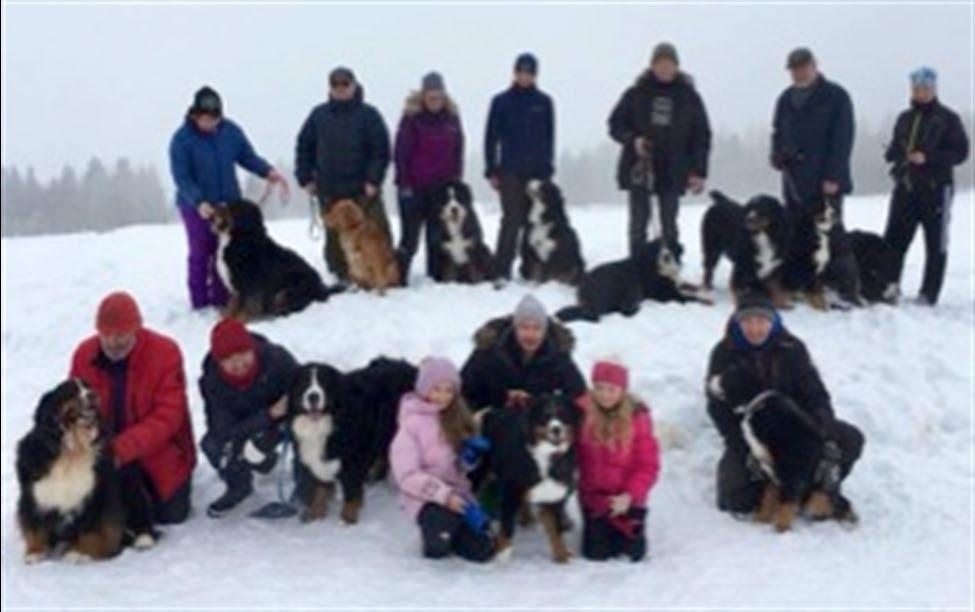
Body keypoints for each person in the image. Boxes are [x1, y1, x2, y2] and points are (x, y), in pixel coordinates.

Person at [705, 292, 864, 519]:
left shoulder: (792, 348)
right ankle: (778, 489)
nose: (755, 328)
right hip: (750, 431)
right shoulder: (724, 353)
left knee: (850, 439)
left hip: (794, 423)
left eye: (761, 321)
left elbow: (814, 391)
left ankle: (817, 488)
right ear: (738, 323)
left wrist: (822, 420)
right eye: (748, 321)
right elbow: (716, 405)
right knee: (734, 499)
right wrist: (738, 440)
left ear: (773, 322)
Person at [69, 292, 196, 530]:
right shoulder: (84, 355)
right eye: (107, 335)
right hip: (103, 454)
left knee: (168, 515)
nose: (114, 342)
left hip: (158, 453)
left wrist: (119, 450)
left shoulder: (165, 352)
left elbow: (168, 416)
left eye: (122, 335)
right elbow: (74, 408)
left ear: (137, 329)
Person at [169, 86, 287, 309]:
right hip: (197, 206)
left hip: (230, 205)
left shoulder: (231, 132)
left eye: (215, 118)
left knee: (228, 252)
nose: (210, 123)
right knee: (201, 252)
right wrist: (198, 202)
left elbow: (247, 157)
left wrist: (267, 171)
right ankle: (200, 302)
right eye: (205, 119)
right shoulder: (181, 140)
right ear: (194, 115)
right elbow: (182, 178)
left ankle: (223, 298)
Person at [608, 42, 711, 260]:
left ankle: (669, 271)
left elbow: (701, 136)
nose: (664, 68)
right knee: (638, 224)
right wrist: (633, 140)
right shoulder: (636, 93)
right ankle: (637, 269)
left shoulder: (689, 96)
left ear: (676, 66)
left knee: (669, 225)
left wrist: (698, 171)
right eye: (660, 64)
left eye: (669, 64)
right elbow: (615, 124)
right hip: (640, 166)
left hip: (674, 168)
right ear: (652, 66)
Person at [389, 358, 495, 562]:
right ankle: (439, 534)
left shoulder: (458, 417)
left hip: (459, 495)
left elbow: (460, 469)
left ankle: (459, 532)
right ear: (424, 389)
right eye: (436, 389)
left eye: (449, 390)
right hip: (426, 497)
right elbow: (407, 475)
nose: (443, 396)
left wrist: (469, 458)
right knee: (439, 543)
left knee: (482, 550)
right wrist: (444, 496)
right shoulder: (411, 425)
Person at [295, 67, 393, 281]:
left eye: (345, 84)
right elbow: (304, 147)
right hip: (330, 191)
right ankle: (342, 276)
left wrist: (374, 179)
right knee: (336, 244)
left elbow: (381, 150)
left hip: (364, 191)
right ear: (330, 88)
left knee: (376, 239)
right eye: (335, 85)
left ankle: (384, 277)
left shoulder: (369, 115)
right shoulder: (318, 115)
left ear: (354, 86)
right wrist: (305, 177)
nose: (340, 89)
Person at [882, 67, 970, 306]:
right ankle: (889, 287)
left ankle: (929, 293)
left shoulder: (948, 119)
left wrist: (928, 157)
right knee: (894, 241)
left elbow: (960, 152)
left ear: (934, 89)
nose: (920, 93)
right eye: (916, 89)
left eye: (925, 88)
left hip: (936, 189)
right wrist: (893, 153)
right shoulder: (904, 118)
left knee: (935, 243)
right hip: (905, 188)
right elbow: (895, 148)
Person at [198, 319, 298, 517]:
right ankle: (239, 485)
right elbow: (222, 429)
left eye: (243, 354)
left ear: (252, 349)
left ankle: (305, 483)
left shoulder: (277, 359)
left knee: (307, 429)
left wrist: (285, 412)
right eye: (228, 359)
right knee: (213, 445)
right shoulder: (212, 381)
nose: (238, 364)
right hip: (251, 423)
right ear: (219, 362)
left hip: (283, 421)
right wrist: (268, 415)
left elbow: (303, 389)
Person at [576, 361, 660, 562]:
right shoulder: (580, 414)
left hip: (627, 497)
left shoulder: (638, 418)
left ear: (622, 390)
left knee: (633, 553)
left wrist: (630, 495)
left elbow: (648, 465)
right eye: (599, 388)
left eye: (611, 389)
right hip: (595, 498)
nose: (605, 395)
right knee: (596, 553)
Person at [483, 53, 555, 284]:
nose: (525, 76)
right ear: (515, 73)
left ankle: (530, 267)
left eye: (529, 72)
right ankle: (501, 270)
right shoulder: (501, 101)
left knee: (533, 220)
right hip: (509, 170)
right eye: (521, 71)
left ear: (535, 75)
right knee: (512, 220)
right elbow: (490, 138)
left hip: (536, 172)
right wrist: (491, 169)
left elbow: (549, 137)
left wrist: (548, 170)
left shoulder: (544, 102)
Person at [393, 71, 465, 281]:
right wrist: (403, 182)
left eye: (439, 96)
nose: (435, 100)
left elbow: (458, 150)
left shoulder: (452, 119)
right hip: (413, 187)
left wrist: (456, 180)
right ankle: (399, 276)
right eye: (431, 96)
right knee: (410, 238)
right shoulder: (411, 119)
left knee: (436, 236)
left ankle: (436, 276)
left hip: (441, 188)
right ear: (423, 96)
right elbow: (401, 152)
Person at [461, 294, 586, 412]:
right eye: (524, 327)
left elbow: (578, 394)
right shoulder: (489, 348)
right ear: (514, 328)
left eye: (537, 328)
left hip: (537, 424)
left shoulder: (557, 352)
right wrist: (502, 398)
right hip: (493, 419)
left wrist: (537, 401)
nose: (530, 335)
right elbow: (464, 390)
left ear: (545, 330)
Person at [770, 48, 855, 218]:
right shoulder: (785, 100)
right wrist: (777, 155)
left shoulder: (835, 96)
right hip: (794, 182)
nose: (798, 73)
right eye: (794, 69)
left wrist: (833, 176)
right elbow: (778, 132)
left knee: (827, 238)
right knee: (796, 236)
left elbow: (842, 139)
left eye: (803, 68)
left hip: (825, 183)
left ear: (814, 66)